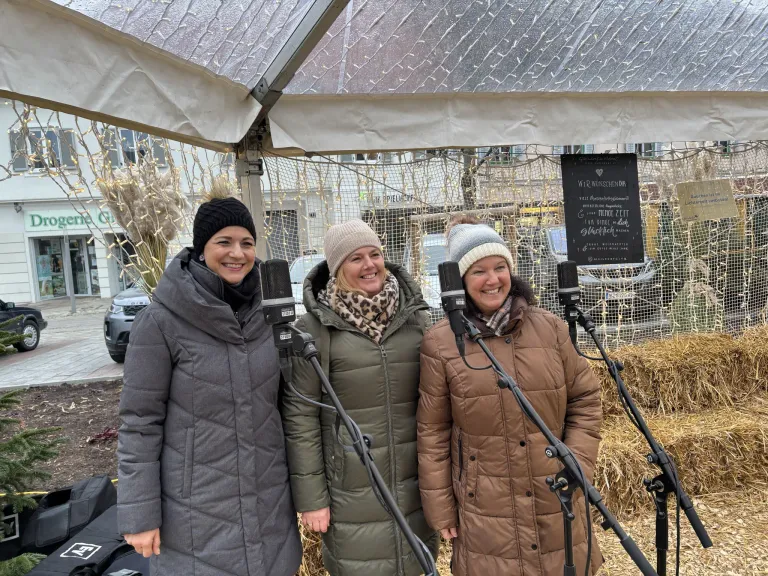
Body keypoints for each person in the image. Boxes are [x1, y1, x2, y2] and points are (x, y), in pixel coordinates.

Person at [117, 196, 302, 576]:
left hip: (269, 507)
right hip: (195, 515)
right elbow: (139, 423)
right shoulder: (161, 322)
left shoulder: (271, 316)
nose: (238, 253)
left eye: (247, 243)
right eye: (224, 242)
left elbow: (288, 408)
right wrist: (139, 514)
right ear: (202, 248)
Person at [417, 216, 603, 576]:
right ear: (460, 279)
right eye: (479, 271)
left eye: (499, 267)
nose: (492, 280)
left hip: (556, 493)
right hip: (486, 508)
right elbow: (432, 433)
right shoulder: (440, 343)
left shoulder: (549, 328)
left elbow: (585, 400)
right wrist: (441, 509)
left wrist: (577, 465)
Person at [282, 219, 439, 576]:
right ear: (337, 268)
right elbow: (300, 416)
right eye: (356, 258)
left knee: (418, 563)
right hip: (350, 487)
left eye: (375, 254)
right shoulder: (315, 328)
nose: (370, 265)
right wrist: (312, 499)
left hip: (414, 481)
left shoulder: (415, 318)